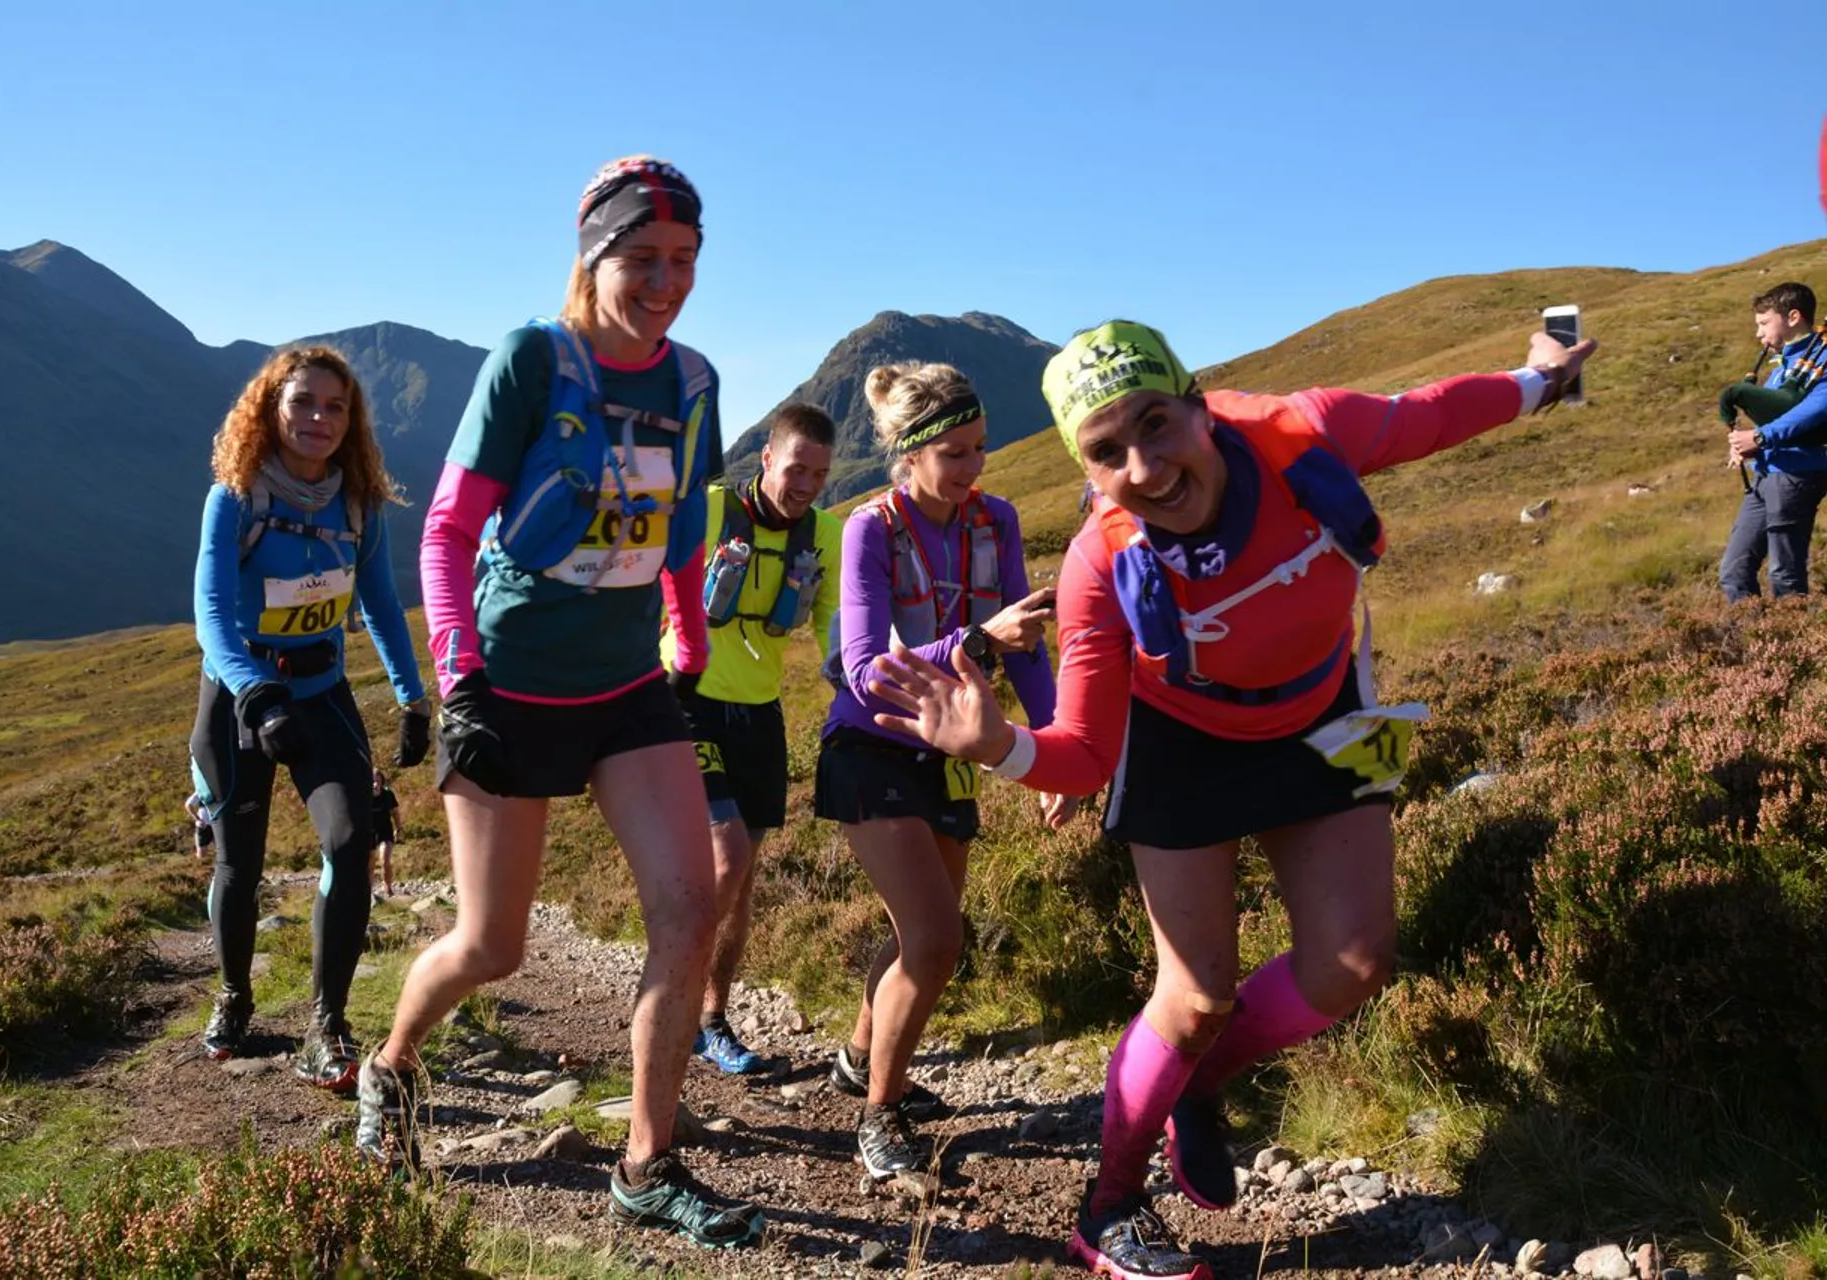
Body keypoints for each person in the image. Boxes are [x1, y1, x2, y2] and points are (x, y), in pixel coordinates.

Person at [866, 320, 1597, 1279]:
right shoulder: (1100, 566)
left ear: (1202, 409)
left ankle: (1200, 1084)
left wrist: (1538, 383)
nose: (1146, 465)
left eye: (1156, 425)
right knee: (1196, 993)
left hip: (1319, 713)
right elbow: (1087, 755)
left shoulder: (1304, 433)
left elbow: (1433, 414)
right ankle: (1110, 1209)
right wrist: (997, 746)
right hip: (1182, 747)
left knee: (1354, 963)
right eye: (1107, 452)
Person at [356, 156, 763, 1251]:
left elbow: (684, 535)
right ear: (595, 253)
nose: (667, 281)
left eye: (684, 261)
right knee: (493, 945)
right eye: (644, 258)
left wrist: (688, 631)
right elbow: (445, 534)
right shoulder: (533, 360)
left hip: (627, 688)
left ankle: (647, 1159)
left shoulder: (696, 382)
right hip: (509, 688)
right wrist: (459, 682)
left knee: (690, 906)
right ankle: (388, 1066)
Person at [815, 360, 1060, 1184]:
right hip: (869, 744)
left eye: (980, 448)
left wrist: (1058, 747)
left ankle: (858, 1056)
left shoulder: (999, 520)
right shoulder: (868, 529)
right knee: (934, 937)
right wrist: (979, 642)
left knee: (918, 933)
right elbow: (863, 670)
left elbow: (1030, 642)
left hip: (948, 752)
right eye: (954, 453)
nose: (973, 468)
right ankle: (880, 1119)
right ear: (909, 454)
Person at [190, 344, 431, 1091]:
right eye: (303, 403)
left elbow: (382, 602)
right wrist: (255, 694)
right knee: (240, 860)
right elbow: (211, 613)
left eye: (336, 406)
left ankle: (326, 1025)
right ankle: (235, 996)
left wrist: (411, 695)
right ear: (271, 407)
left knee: (351, 842)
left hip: (322, 692)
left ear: (351, 419)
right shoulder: (235, 495)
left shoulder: (357, 501)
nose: (319, 419)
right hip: (239, 698)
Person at [663, 402, 842, 1076]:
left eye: (820, 473)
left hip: (760, 715)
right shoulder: (709, 512)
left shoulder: (825, 532)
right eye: (797, 468)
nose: (807, 485)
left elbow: (832, 629)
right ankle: (672, 1001)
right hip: (688, 703)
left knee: (740, 881)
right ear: (767, 459)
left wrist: (857, 698)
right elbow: (653, 578)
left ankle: (710, 1020)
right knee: (727, 852)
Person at [1719, 282, 1827, 600]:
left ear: (1793, 317)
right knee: (1733, 572)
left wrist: (1760, 437)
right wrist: (1741, 443)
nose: (1759, 333)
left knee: (1784, 573)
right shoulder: (1783, 367)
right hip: (1766, 475)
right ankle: (1756, 646)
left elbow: (1813, 410)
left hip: (1798, 474)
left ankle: (1793, 647)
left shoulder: (1822, 358)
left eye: (1764, 323)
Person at [369, 769, 400, 900]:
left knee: (385, 860)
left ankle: (388, 888)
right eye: (372, 781)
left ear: (382, 781)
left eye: (377, 781)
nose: (375, 784)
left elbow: (395, 812)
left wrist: (399, 828)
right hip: (369, 832)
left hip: (385, 831)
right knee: (370, 863)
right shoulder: (362, 795)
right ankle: (368, 893)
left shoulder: (388, 794)